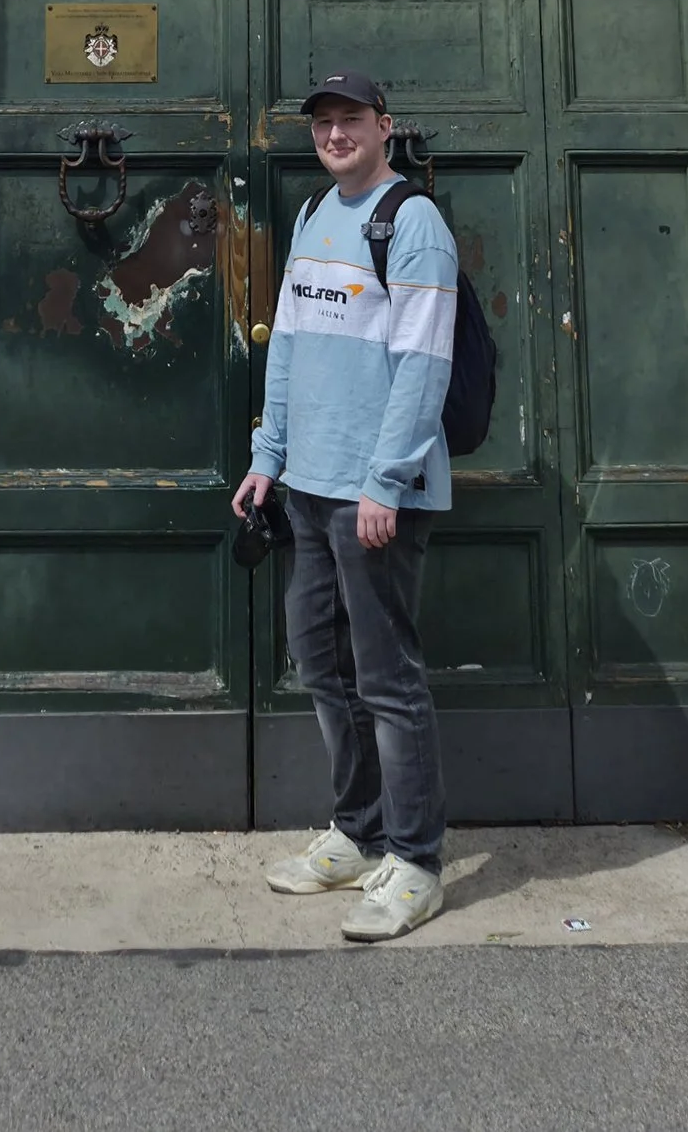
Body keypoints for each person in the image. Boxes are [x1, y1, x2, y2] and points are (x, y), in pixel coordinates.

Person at [233, 70, 457, 941]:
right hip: (308, 490)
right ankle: (358, 834)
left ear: (385, 127)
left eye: (350, 120)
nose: (334, 134)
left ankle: (417, 859)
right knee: (323, 669)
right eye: (323, 123)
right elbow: (285, 345)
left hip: (374, 499)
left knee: (389, 680)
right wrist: (268, 458)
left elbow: (424, 366)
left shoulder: (414, 225)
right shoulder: (312, 215)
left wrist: (384, 481)